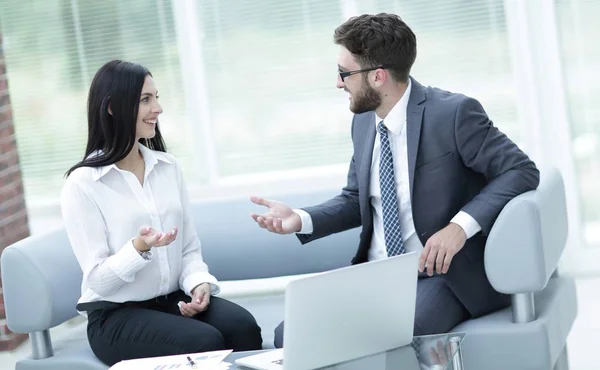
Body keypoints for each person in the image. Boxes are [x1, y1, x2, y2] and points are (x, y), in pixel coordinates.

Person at [250, 13, 540, 348]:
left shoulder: (453, 114)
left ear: (377, 76)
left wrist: (459, 227)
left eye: (344, 73)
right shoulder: (363, 123)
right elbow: (355, 199)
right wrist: (299, 219)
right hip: (377, 274)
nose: (338, 83)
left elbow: (521, 170)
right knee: (291, 333)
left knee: (399, 331)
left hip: (440, 276)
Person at [61, 60, 262, 366]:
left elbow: (189, 248)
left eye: (156, 97)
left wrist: (198, 284)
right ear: (113, 108)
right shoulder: (83, 183)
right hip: (115, 316)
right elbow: (98, 281)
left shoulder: (168, 168)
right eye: (146, 99)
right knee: (204, 341)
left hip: (170, 300)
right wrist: (138, 248)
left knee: (243, 328)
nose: (158, 108)